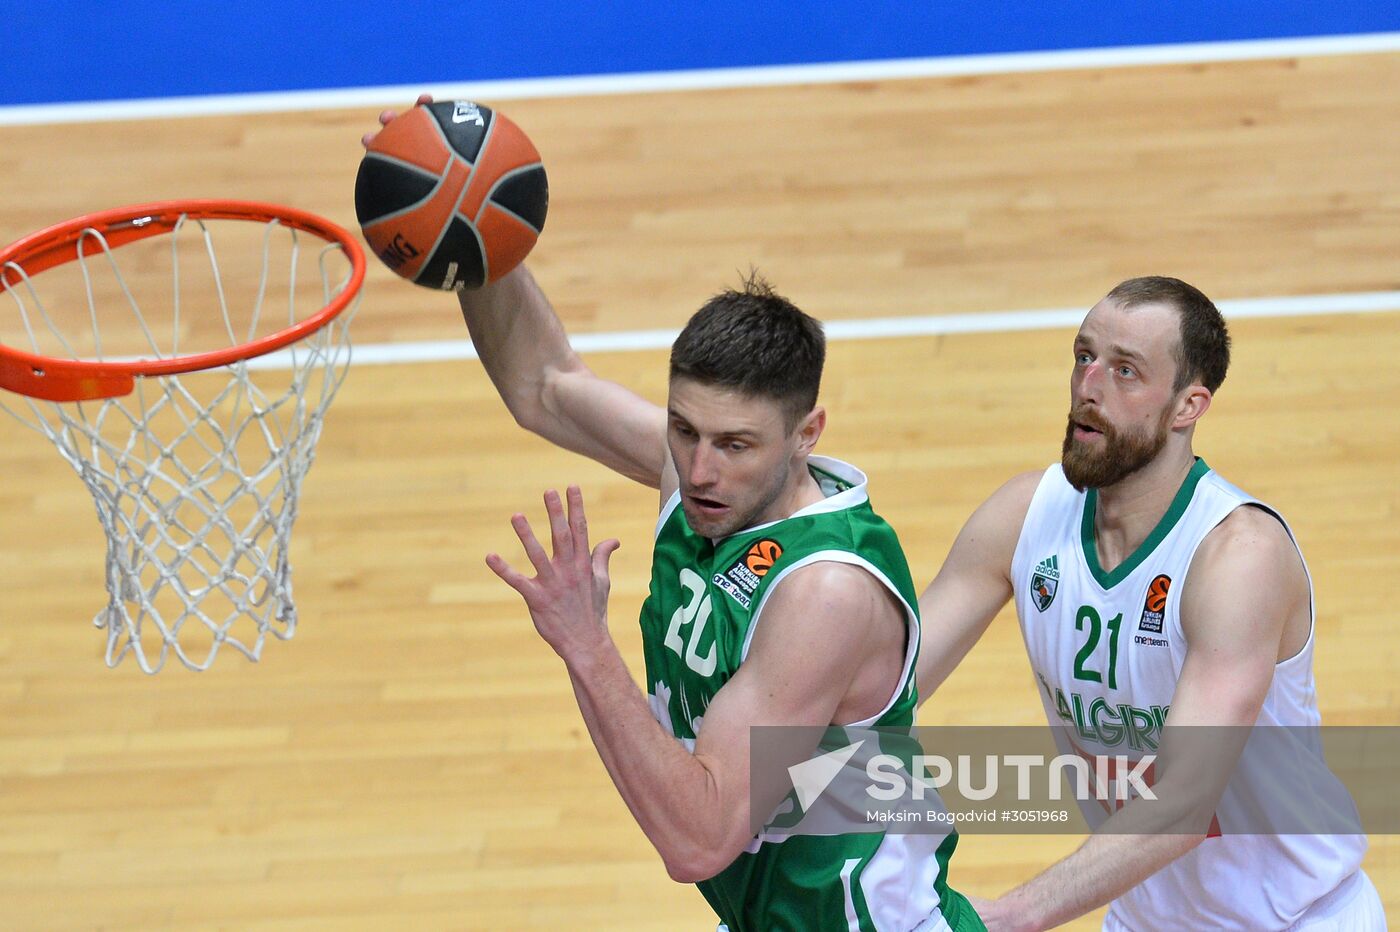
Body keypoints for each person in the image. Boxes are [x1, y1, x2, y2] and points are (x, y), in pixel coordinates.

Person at [369, 96, 984, 932]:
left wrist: (586, 645)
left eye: (735, 444)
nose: (696, 471)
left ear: (807, 435)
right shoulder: (708, 484)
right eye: (682, 430)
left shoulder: (822, 594)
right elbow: (542, 386)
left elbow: (698, 840)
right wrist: (475, 225)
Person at [913, 276, 1383, 930]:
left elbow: (1183, 803)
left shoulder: (1236, 556)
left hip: (1297, 920)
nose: (1089, 385)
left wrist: (1004, 917)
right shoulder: (1024, 517)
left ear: (1188, 407)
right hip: (1144, 918)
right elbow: (888, 686)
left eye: (1125, 371)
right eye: (1084, 356)